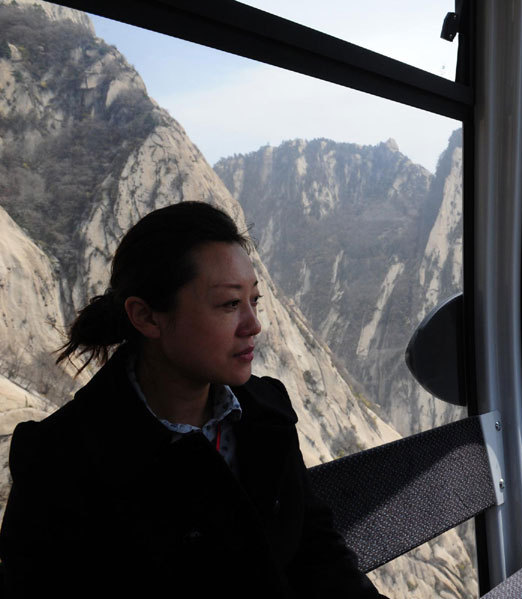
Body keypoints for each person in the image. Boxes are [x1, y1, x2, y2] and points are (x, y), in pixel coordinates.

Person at [0, 202, 389, 598]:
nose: (253, 325)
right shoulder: (61, 460)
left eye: (254, 300)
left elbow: (318, 552)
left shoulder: (265, 413)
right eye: (229, 304)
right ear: (147, 316)